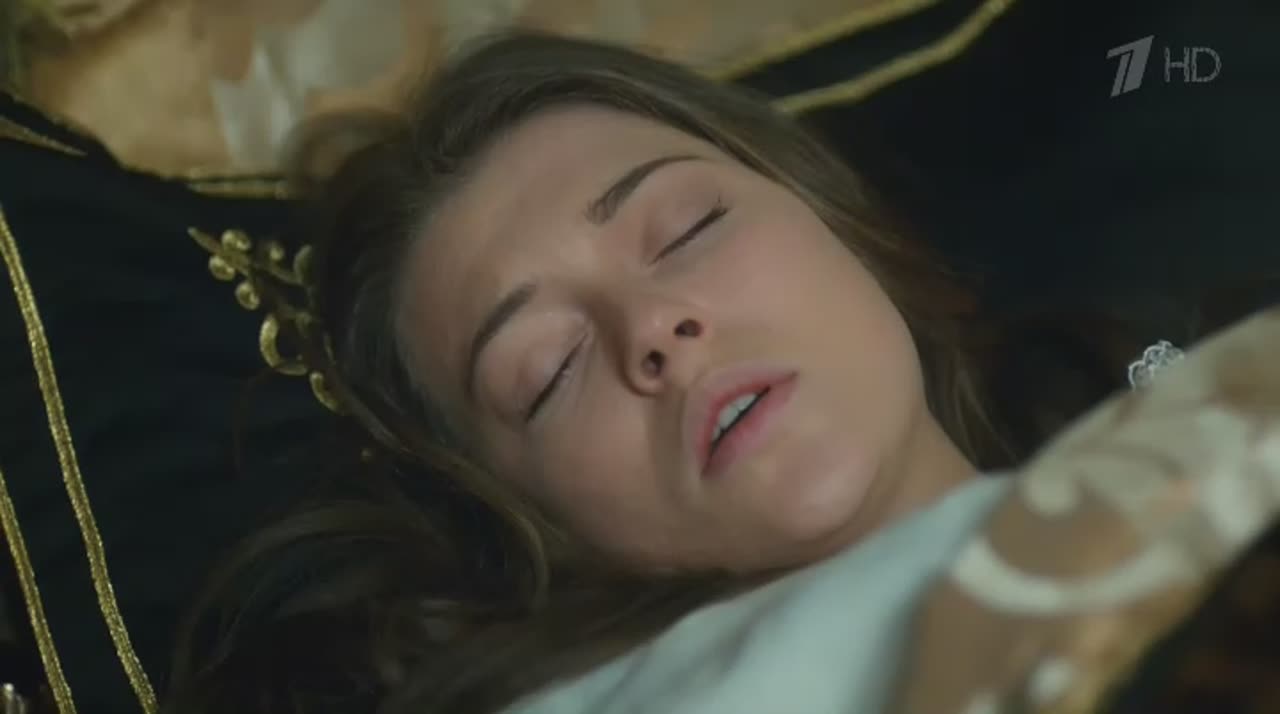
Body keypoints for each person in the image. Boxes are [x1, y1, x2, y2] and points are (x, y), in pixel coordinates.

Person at [161, 31, 1251, 714]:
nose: (654, 328)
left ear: (837, 222)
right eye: (548, 371)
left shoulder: (1206, 410)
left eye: (687, 229)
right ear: (526, 523)